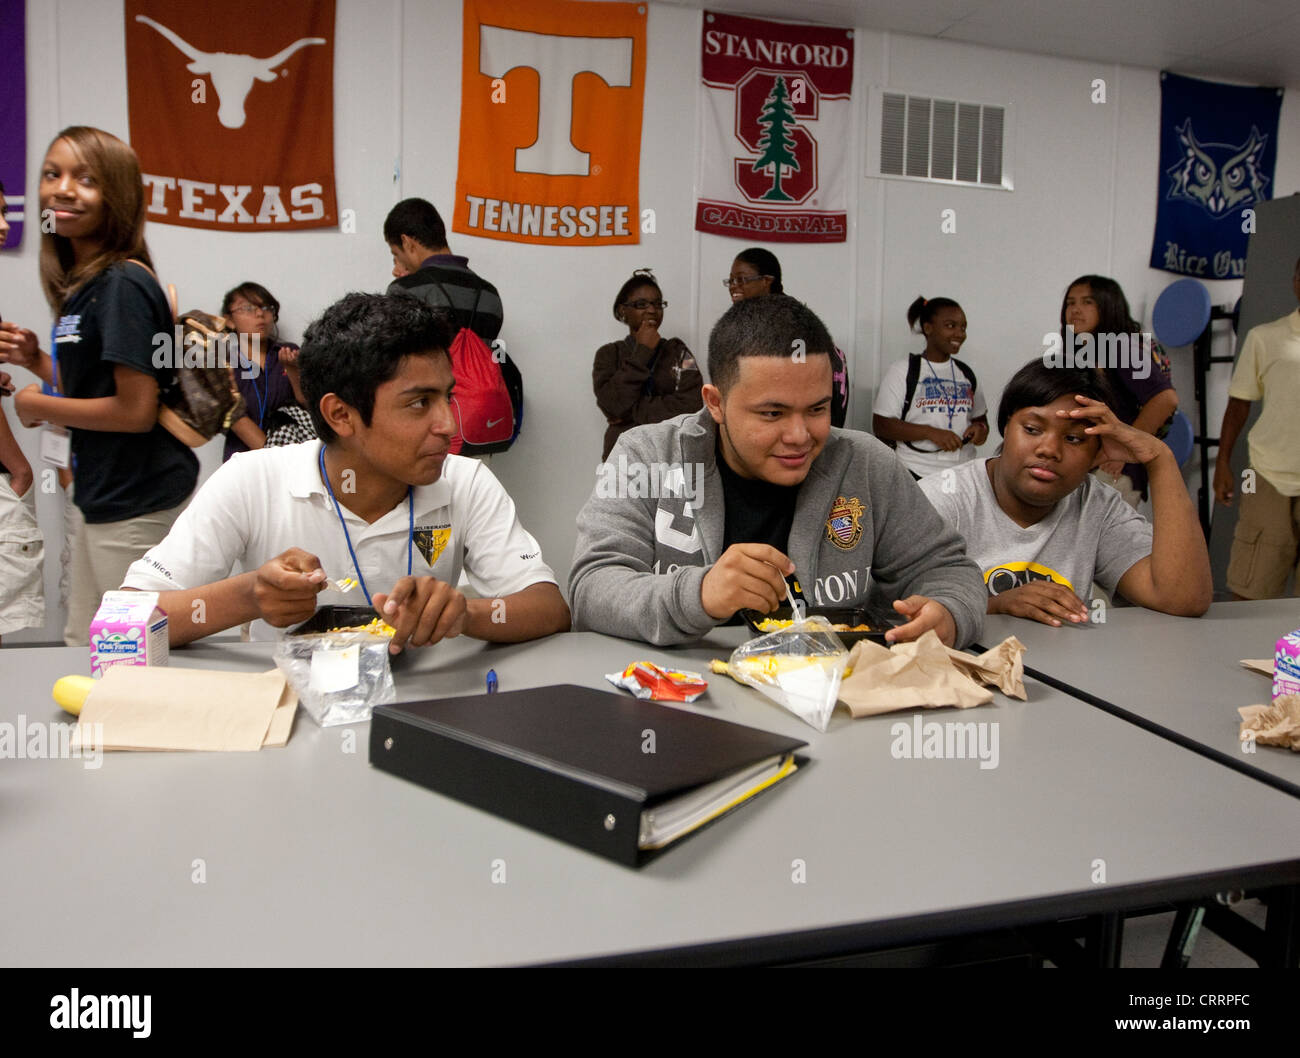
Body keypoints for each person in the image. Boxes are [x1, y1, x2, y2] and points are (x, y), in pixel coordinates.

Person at [121, 293, 570, 651]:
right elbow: (123, 622)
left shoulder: (465, 482)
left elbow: (549, 608)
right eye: (419, 403)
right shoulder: (252, 480)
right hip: (289, 719)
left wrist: (464, 614)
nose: (449, 426)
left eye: (446, 397)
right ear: (340, 415)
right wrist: (249, 596)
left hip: (424, 712)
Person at [570, 295, 985, 648]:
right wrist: (699, 595)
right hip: (683, 710)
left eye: (818, 409)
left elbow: (945, 568)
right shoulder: (645, 455)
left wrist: (949, 611)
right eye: (772, 413)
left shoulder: (866, 463)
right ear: (715, 403)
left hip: (830, 715)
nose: (800, 436)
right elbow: (591, 588)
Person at [0, 127, 197, 645]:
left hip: (136, 500)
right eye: (52, 174)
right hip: (99, 495)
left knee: (126, 651)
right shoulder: (84, 284)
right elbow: (95, 384)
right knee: (82, 643)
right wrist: (37, 361)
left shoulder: (121, 284)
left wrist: (36, 404)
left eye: (86, 179)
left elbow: (135, 409)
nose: (63, 189)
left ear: (119, 196)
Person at [919, 360, 1211, 626]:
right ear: (1006, 427)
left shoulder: (1097, 506)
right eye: (1032, 429)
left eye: (1073, 439)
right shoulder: (942, 499)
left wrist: (1160, 460)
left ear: (1097, 453)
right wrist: (995, 605)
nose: (1049, 449)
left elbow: (1183, 598)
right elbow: (890, 610)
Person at [1214, 256, 1300, 600]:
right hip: (1269, 477)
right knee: (1251, 591)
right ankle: (1243, 655)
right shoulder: (1266, 337)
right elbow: (1238, 404)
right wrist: (1222, 463)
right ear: (1295, 281)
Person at [1058, 274, 1178, 506]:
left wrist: (1123, 447)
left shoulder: (1120, 347)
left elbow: (1165, 399)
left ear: (1108, 305)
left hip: (1114, 472)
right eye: (1070, 302)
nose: (1075, 309)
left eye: (1087, 302)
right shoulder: (1087, 350)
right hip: (1092, 466)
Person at [725, 247, 850, 427]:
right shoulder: (752, 321)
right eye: (731, 280)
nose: (734, 286)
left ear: (766, 281)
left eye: (741, 279)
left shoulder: (791, 321)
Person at [873, 295, 988, 478]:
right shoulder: (903, 370)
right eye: (951, 326)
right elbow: (882, 425)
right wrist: (930, 433)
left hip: (963, 474)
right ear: (928, 328)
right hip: (916, 472)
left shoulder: (966, 373)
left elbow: (980, 420)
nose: (959, 333)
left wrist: (980, 429)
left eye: (963, 327)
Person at [593, 269, 702, 460]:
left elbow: (693, 405)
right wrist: (643, 351)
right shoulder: (608, 354)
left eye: (657, 303)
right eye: (641, 304)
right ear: (622, 311)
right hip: (623, 459)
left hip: (673, 459)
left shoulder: (678, 351)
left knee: (678, 492)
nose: (651, 310)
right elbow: (612, 405)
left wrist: (631, 413)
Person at [384, 198, 502, 341]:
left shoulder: (404, 290)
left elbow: (394, 358)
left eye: (396, 253)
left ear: (407, 242)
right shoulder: (490, 294)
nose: (398, 266)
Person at [221, 281, 303, 460]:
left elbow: (309, 406)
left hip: (293, 456)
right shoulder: (221, 362)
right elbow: (233, 417)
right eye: (248, 308)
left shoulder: (288, 352)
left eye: (266, 307)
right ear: (229, 320)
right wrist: (275, 458)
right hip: (244, 464)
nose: (260, 314)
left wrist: (292, 371)